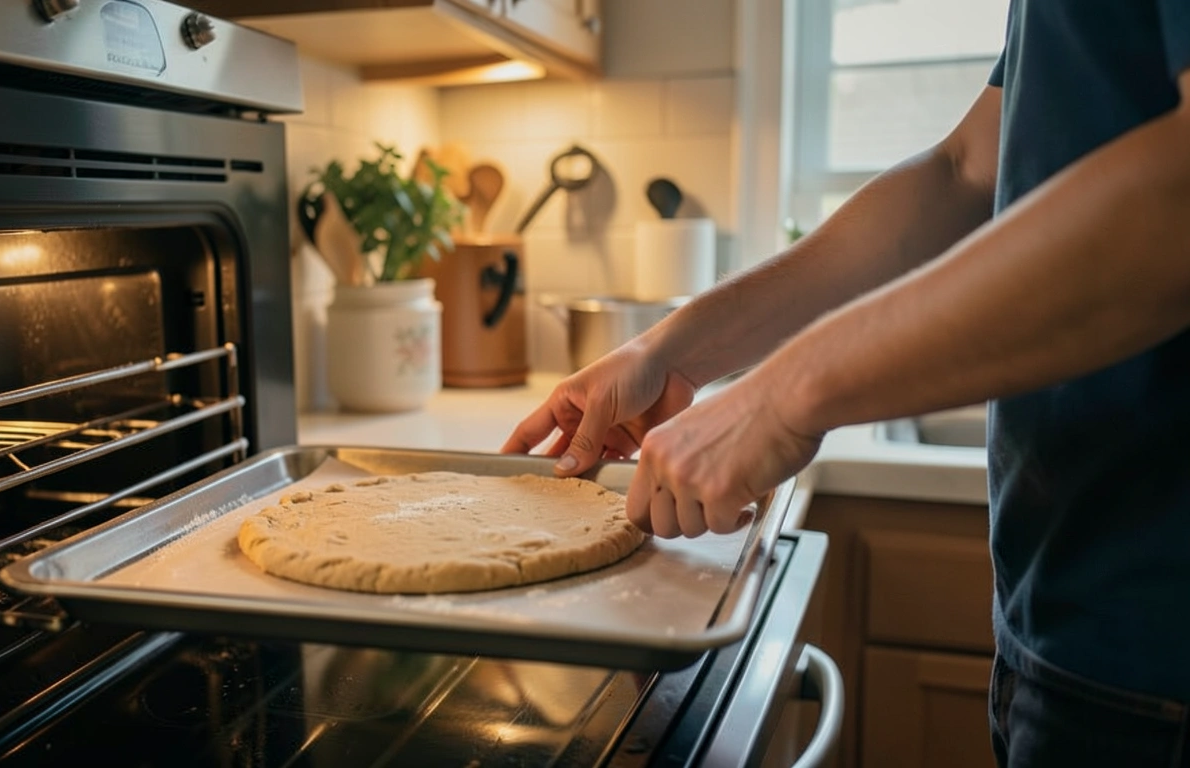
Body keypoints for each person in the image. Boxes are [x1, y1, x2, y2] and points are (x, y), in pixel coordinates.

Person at [502, 2, 1190, 765]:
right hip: (1062, 626)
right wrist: (674, 349)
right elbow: (967, 170)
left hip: (1159, 657)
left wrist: (785, 393)